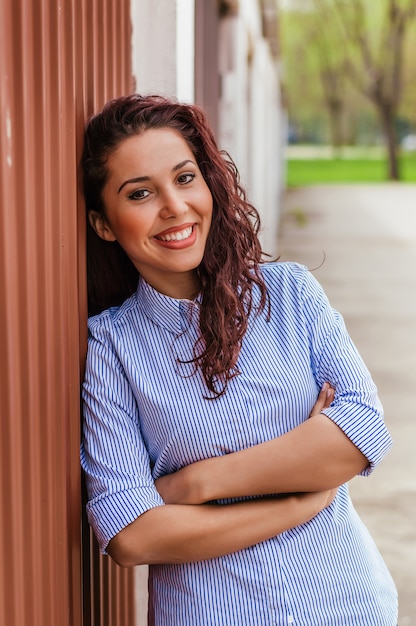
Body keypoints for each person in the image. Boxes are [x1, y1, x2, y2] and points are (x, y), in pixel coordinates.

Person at [80, 94, 398, 625]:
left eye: (184, 179)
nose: (175, 207)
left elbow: (361, 436)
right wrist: (298, 501)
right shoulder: (112, 348)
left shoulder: (291, 294)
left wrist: (193, 486)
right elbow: (132, 534)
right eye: (140, 193)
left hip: (348, 604)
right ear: (104, 224)